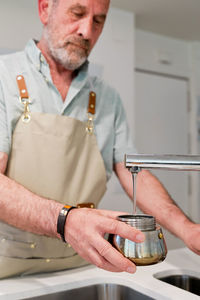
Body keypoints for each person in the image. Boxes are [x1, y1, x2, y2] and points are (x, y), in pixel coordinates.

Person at [0, 0, 199, 279]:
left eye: (98, 21)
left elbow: (134, 174)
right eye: (77, 13)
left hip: (82, 266)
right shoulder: (4, 77)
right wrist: (65, 221)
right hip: (8, 270)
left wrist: (189, 229)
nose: (87, 31)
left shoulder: (108, 99)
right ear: (45, 9)